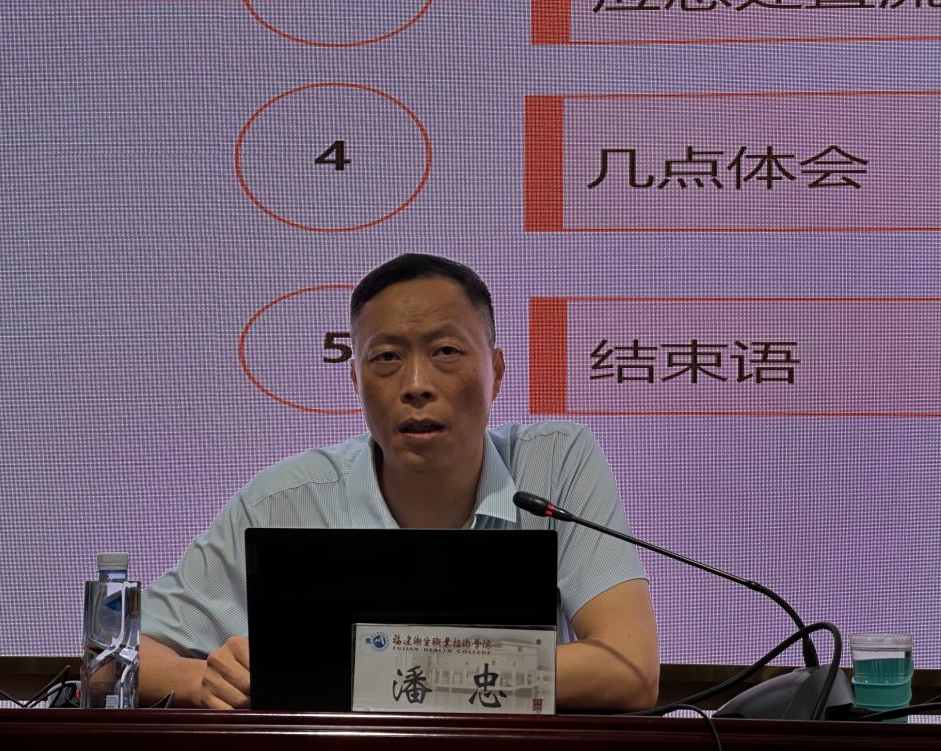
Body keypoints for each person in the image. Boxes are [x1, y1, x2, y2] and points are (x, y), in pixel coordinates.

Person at [140, 254, 659, 710]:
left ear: (496, 371)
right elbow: (117, 655)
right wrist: (201, 679)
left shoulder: (555, 464)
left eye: (446, 352)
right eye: (387, 357)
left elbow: (630, 670)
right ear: (356, 380)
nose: (416, 385)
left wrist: (388, 668)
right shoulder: (285, 499)